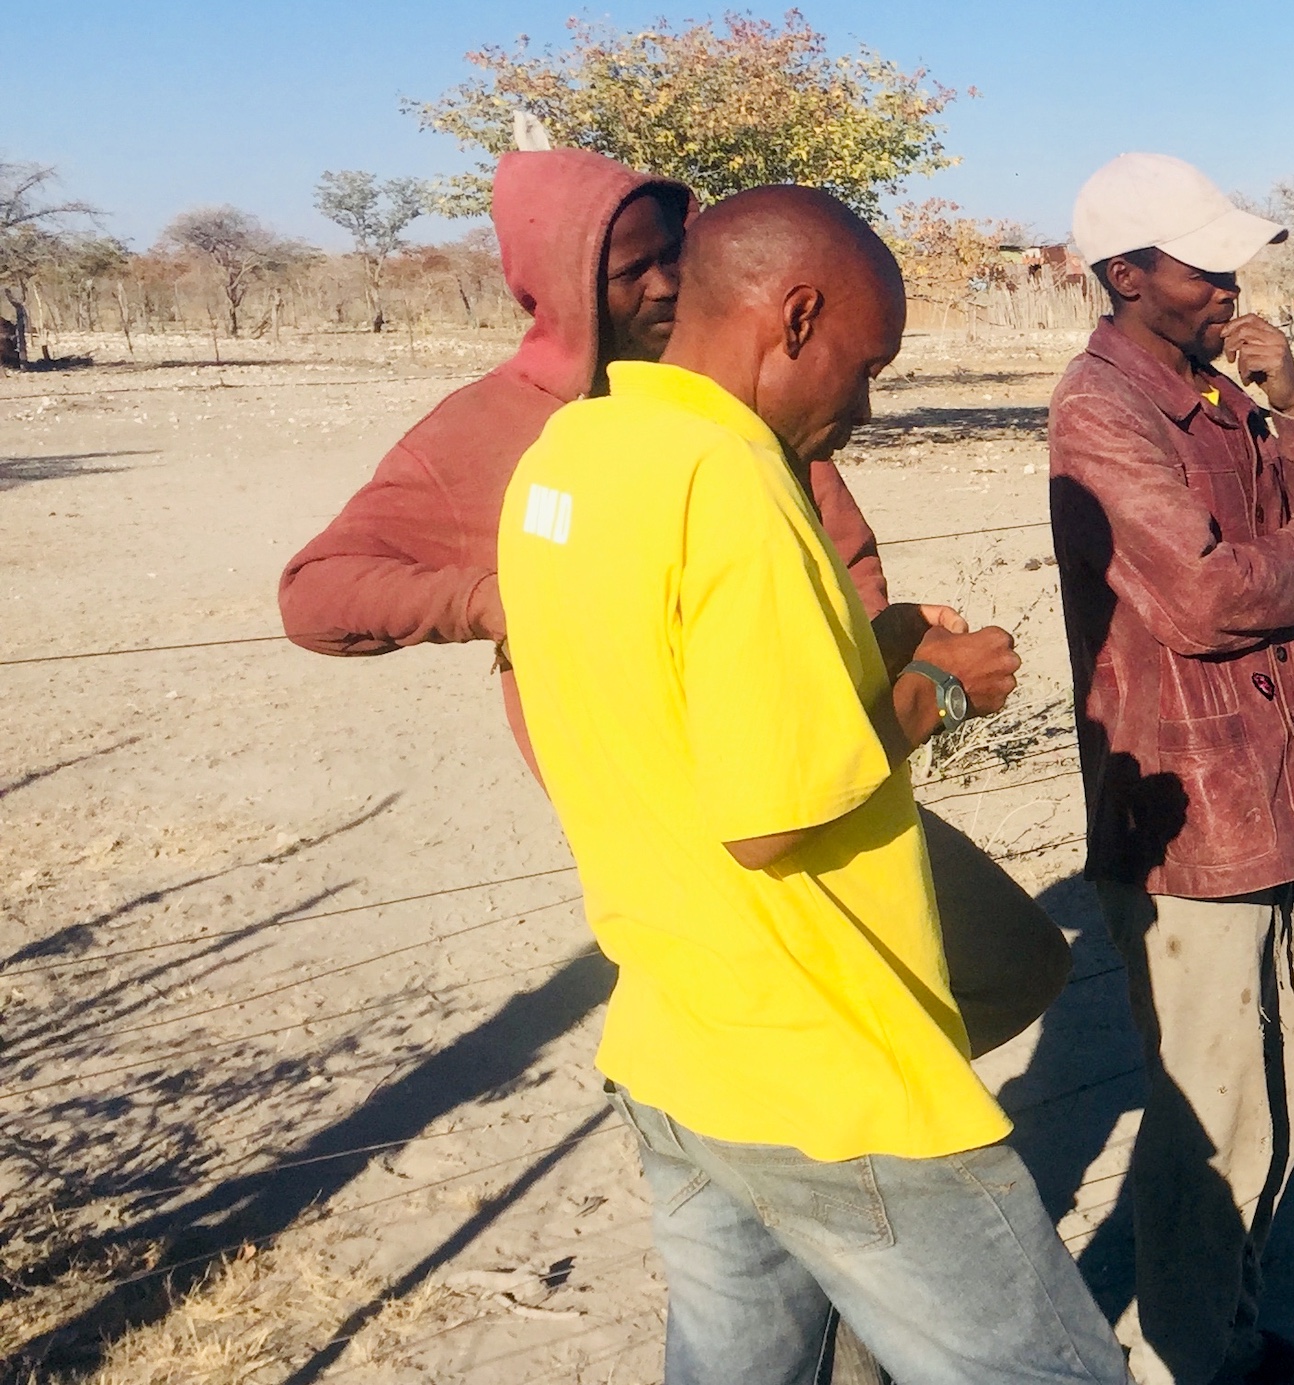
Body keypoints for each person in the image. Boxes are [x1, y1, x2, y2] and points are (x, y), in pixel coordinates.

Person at [496, 185, 1128, 1385]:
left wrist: (877, 640)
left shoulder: (572, 450)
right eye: (866, 359)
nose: (868, 399)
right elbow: (769, 811)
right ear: (794, 316)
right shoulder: (732, 476)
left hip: (679, 1038)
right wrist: (941, 696)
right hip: (822, 1063)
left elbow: (668, 693)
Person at [274, 143, 1068, 1064]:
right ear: (560, 289)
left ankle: (803, 1123)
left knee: (1007, 962)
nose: (662, 286)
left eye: (674, 257)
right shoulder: (494, 430)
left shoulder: (734, 397)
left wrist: (874, 653)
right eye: (627, 269)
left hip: (818, 762)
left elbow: (842, 551)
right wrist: (505, 598)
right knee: (843, 1018)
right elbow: (316, 594)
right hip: (683, 813)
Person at [1045, 152, 1294, 1385]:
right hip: (1186, 809)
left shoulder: (1221, 395)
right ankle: (1203, 1356)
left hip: (1265, 786)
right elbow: (1203, 592)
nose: (1227, 285)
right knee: (1216, 1113)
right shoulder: (1103, 409)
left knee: (1273, 1087)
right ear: (1125, 275)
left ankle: (1222, 1327)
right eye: (1199, 265)